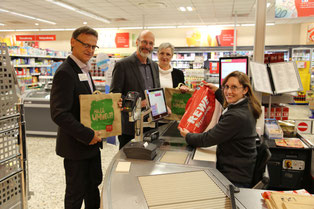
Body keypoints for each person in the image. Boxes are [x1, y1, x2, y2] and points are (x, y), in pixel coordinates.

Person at [179, 71, 262, 188]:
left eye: (234, 87)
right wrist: (217, 91)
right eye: (226, 87)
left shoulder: (236, 116)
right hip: (242, 169)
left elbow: (207, 139)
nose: (228, 91)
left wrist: (187, 135)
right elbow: (228, 101)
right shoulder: (246, 106)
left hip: (234, 178)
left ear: (245, 90)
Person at [50, 26, 103, 209]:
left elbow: (85, 103)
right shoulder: (66, 72)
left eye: (93, 46)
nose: (90, 50)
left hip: (91, 145)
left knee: (92, 189)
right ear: (73, 42)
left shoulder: (84, 69)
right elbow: (59, 113)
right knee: (75, 195)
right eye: (86, 45)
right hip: (76, 146)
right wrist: (87, 135)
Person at [110, 30, 160, 149]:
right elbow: (114, 95)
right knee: (128, 162)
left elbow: (155, 92)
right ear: (137, 42)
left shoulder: (154, 66)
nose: (147, 46)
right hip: (130, 127)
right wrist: (138, 103)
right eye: (144, 42)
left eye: (151, 43)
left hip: (151, 123)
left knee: (149, 160)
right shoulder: (122, 65)